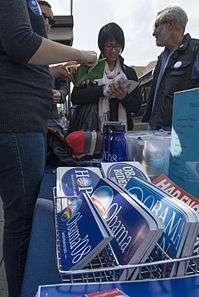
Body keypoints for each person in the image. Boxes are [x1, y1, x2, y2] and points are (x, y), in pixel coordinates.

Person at [0, 1, 97, 297]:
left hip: (26, 121)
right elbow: (21, 43)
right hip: (18, 121)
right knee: (23, 219)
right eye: (45, 22)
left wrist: (52, 70)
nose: (47, 26)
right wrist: (79, 54)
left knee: (23, 216)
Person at [68, 22, 141, 133]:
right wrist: (103, 90)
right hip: (94, 131)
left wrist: (124, 97)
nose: (114, 50)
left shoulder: (129, 73)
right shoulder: (89, 68)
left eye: (117, 46)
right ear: (101, 46)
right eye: (109, 46)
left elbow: (136, 107)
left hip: (122, 133)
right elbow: (76, 97)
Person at [142, 6, 199, 129]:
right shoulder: (161, 58)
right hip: (156, 134)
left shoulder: (196, 50)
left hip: (184, 137)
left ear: (171, 25)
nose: (153, 32)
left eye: (157, 26)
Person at [38, 0, 70, 129]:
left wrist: (60, 93)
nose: (46, 22)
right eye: (42, 16)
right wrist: (54, 71)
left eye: (51, 20)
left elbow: (63, 83)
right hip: (26, 119)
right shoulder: (17, 43)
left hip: (51, 119)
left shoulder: (53, 50)